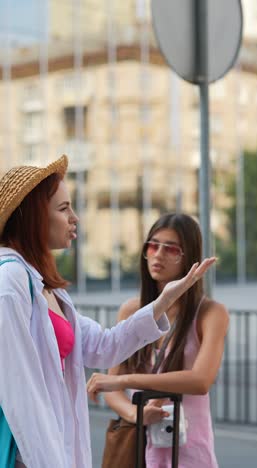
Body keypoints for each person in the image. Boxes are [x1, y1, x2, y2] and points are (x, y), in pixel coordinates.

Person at [0, 157, 215, 468]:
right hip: (30, 457)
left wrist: (162, 302)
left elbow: (104, 348)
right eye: (63, 209)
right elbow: (21, 393)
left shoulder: (45, 286)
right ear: (33, 217)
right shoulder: (10, 283)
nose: (74, 218)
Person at [87, 213, 229, 468]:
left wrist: (125, 381)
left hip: (188, 451)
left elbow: (200, 381)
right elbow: (114, 392)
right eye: (153, 246)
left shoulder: (210, 313)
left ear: (189, 257)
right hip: (136, 448)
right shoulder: (132, 311)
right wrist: (136, 413)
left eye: (171, 248)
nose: (158, 254)